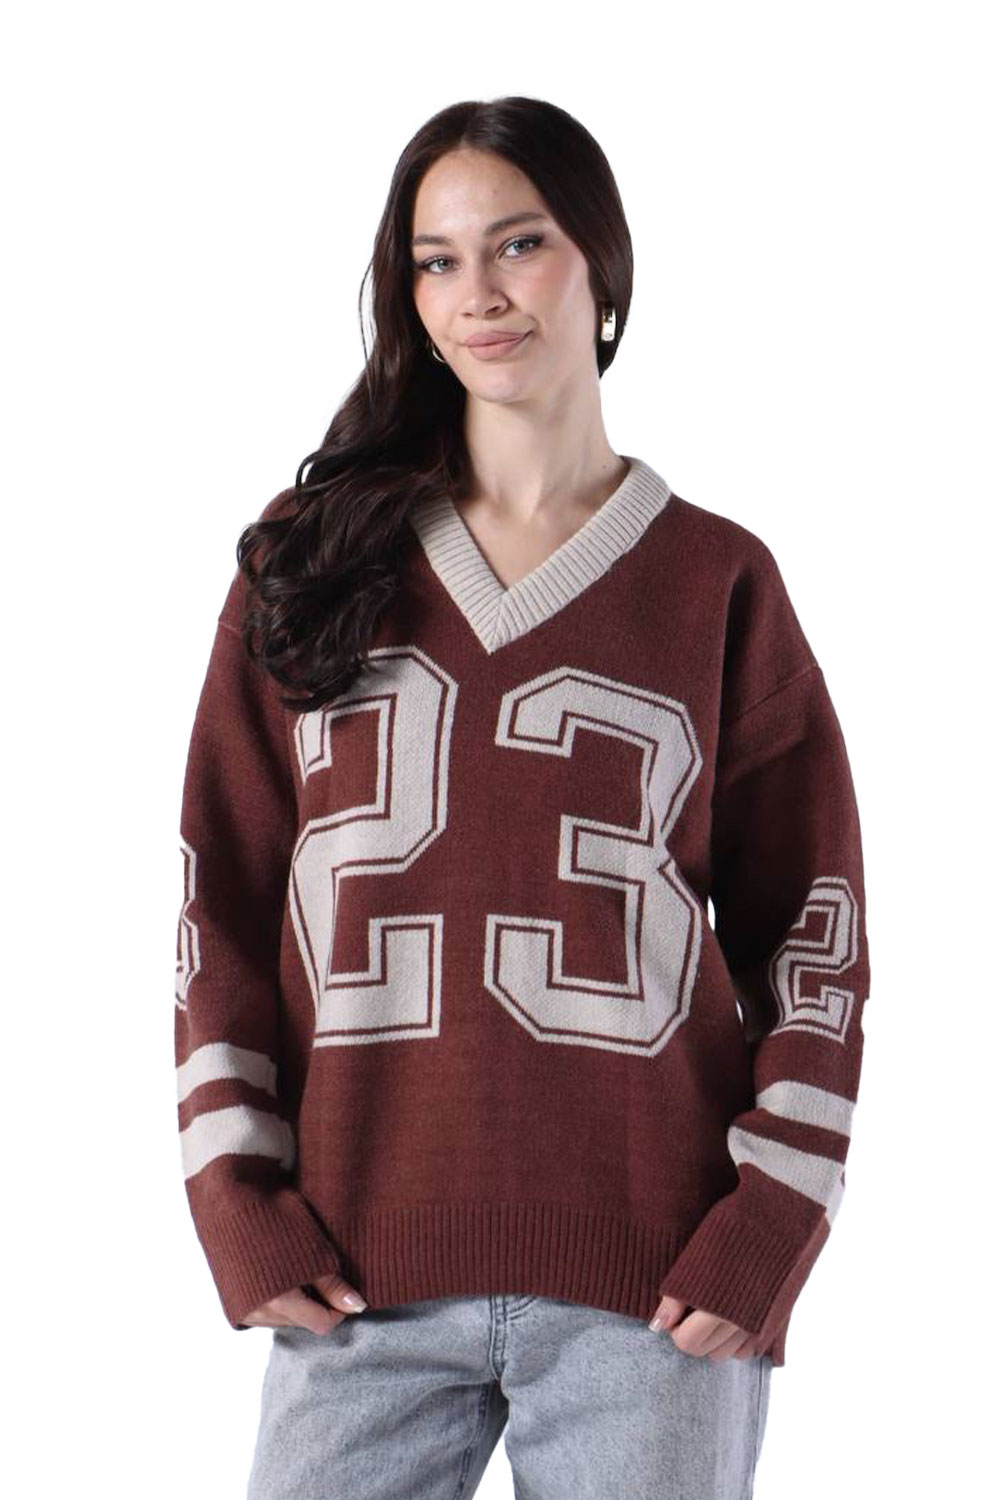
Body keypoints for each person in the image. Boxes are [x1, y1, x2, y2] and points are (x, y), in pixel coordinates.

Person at [174, 95, 870, 1499]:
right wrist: (238, 1203)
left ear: (601, 261)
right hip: (355, 1282)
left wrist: (770, 1224)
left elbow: (815, 930)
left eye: (518, 243)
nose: (478, 293)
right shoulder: (308, 567)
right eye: (435, 261)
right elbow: (222, 902)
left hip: (655, 1298)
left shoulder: (717, 583)